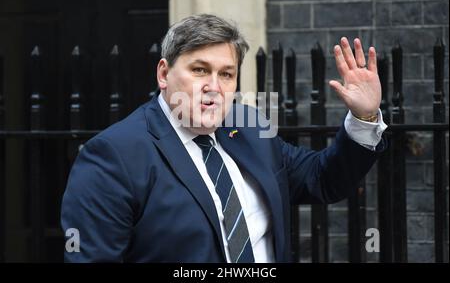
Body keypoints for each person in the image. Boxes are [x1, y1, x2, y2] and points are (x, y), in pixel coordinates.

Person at [61, 14, 387, 263]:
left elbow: (321, 179)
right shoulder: (114, 156)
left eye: (226, 74)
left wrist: (364, 117)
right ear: (164, 74)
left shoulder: (248, 127)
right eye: (200, 70)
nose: (213, 86)